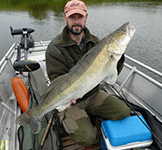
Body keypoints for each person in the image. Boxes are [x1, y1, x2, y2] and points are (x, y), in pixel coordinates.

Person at [45, 0, 130, 146]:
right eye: (72, 17)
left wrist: (118, 55)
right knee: (87, 138)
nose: (76, 21)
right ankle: (67, 119)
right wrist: (65, 99)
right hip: (71, 102)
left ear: (86, 18)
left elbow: (110, 75)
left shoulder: (96, 42)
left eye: (80, 17)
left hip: (93, 94)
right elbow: (57, 79)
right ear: (65, 18)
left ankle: (87, 120)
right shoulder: (55, 48)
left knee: (123, 112)